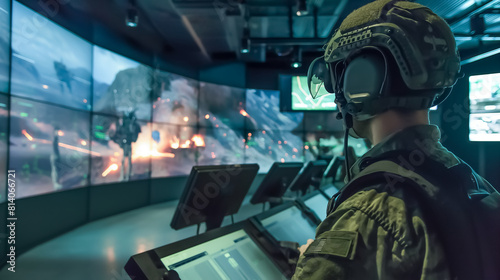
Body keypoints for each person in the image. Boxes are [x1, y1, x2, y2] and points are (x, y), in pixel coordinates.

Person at [293, 0, 465, 279]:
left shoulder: (368, 210)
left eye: (339, 76)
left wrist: (309, 262)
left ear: (360, 83)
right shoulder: (465, 180)